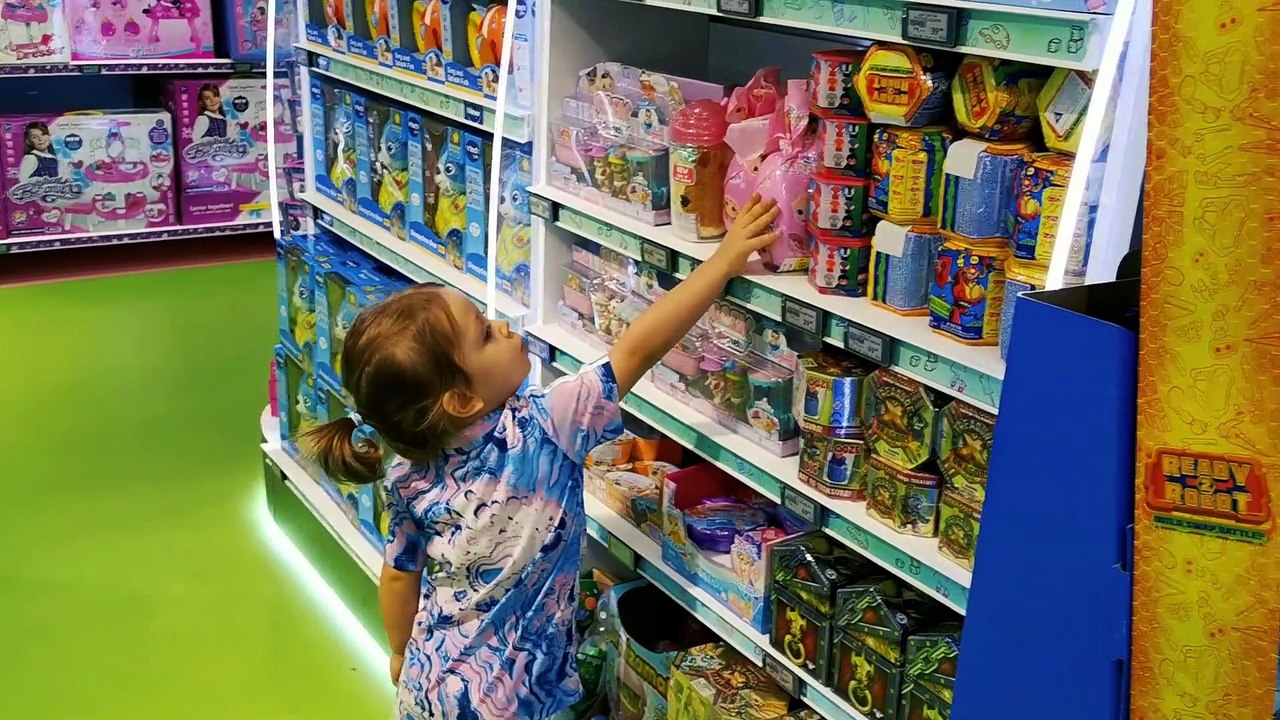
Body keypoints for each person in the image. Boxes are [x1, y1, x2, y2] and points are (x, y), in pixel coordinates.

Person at [305, 196, 781, 720]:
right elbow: (637, 349)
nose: (503, 326)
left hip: (430, 684)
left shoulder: (407, 473)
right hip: (512, 699)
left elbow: (399, 573)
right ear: (461, 400)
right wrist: (721, 263)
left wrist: (400, 652)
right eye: (485, 334)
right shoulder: (547, 425)